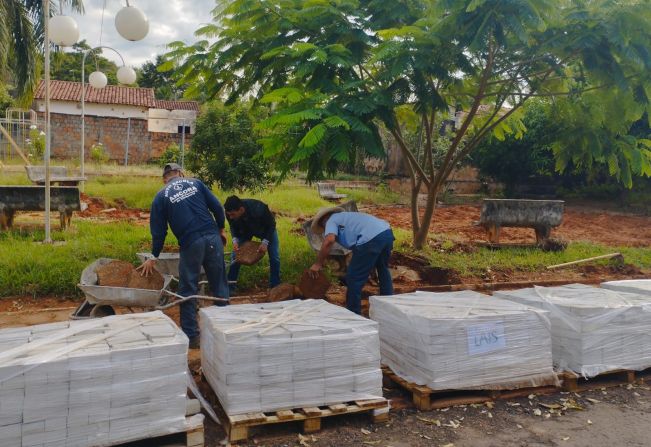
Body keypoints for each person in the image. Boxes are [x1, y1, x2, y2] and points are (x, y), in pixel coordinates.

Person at [138, 163, 229, 348]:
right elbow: (218, 208)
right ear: (180, 173)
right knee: (219, 283)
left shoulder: (160, 197)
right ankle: (225, 329)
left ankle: (192, 337)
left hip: (191, 243)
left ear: (165, 179)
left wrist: (154, 256)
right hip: (213, 238)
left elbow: (159, 233)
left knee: (187, 290)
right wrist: (220, 229)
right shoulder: (196, 183)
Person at [309, 208, 394, 315]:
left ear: (324, 220)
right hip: (386, 232)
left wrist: (318, 263)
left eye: (323, 227)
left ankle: (353, 314)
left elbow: (329, 240)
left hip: (369, 239)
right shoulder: (347, 217)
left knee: (353, 278)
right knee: (383, 269)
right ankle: (389, 306)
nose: (325, 229)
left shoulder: (331, 220)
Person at [224, 195, 281, 292]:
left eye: (233, 214)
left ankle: (275, 286)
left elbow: (271, 225)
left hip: (265, 230)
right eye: (229, 215)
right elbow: (232, 226)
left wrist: (265, 242)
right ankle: (230, 287)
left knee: (275, 257)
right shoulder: (229, 213)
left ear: (241, 210)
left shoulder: (259, 208)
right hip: (245, 231)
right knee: (235, 256)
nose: (230, 217)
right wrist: (235, 240)